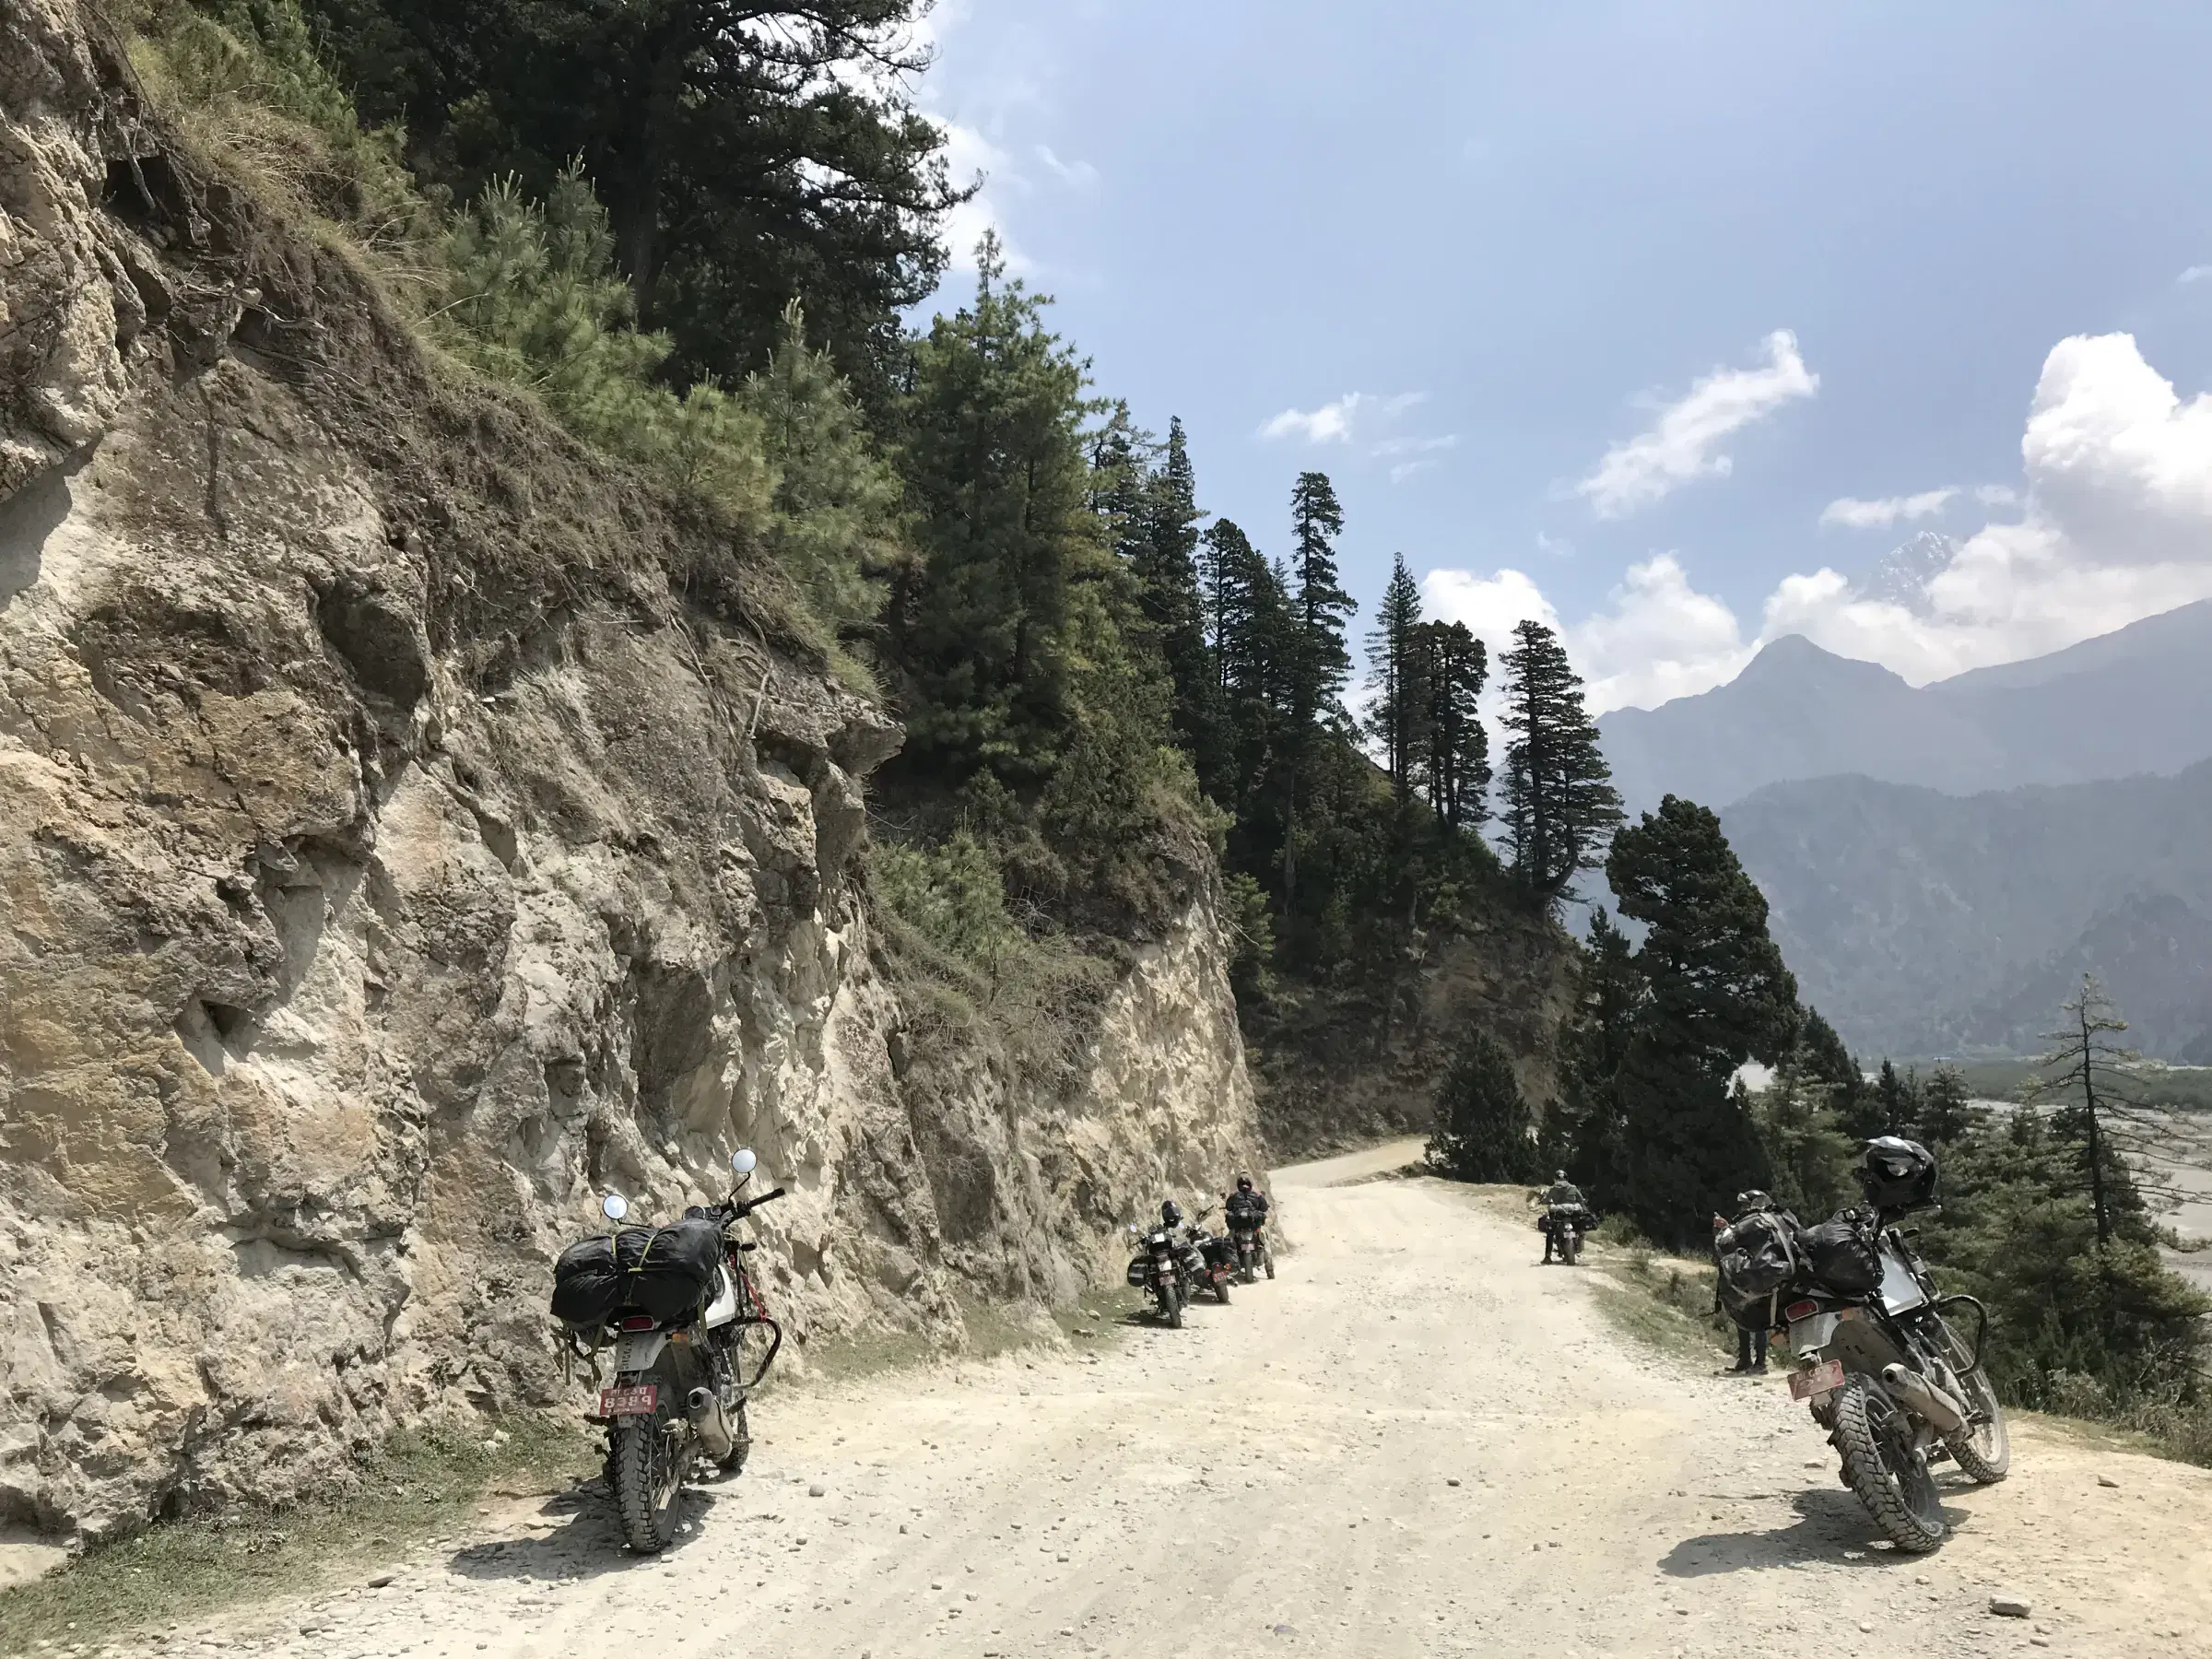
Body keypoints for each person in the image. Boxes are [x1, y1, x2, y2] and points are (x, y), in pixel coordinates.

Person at [1715, 1190, 1781, 1374]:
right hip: (1748, 1276)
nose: (1744, 1208)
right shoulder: (1755, 1223)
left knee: (1757, 1320)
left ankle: (1760, 1363)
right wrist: (1727, 1226)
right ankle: (1745, 1360)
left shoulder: (1762, 1223)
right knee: (1741, 1317)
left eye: (1747, 1204)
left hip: (1760, 1278)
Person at [1534, 1171, 1588, 1264]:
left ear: (1555, 1179)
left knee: (1550, 1233)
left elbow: (1547, 1199)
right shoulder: (1573, 1187)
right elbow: (1581, 1200)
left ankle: (1548, 1257)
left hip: (1559, 1213)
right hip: (1573, 1212)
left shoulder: (1554, 1188)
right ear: (1566, 1178)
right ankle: (1579, 1241)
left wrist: (1543, 1202)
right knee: (1579, 1228)